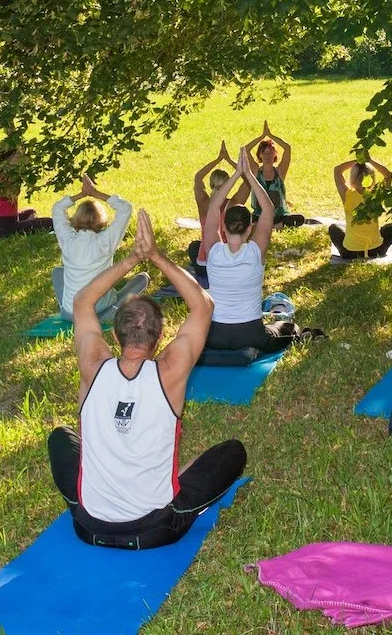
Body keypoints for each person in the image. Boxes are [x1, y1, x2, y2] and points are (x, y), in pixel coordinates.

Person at [46, 210, 248, 549]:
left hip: (88, 525)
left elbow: (82, 302)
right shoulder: (170, 372)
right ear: (160, 338)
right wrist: (155, 255)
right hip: (154, 529)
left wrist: (130, 260)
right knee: (232, 452)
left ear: (114, 334)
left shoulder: (93, 365)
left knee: (60, 437)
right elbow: (203, 306)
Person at [190, 150, 307, 359]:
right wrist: (250, 176)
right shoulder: (255, 251)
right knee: (289, 327)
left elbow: (214, 206)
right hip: (252, 335)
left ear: (222, 227)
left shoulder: (213, 250)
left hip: (215, 336)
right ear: (250, 228)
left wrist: (237, 174)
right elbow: (268, 209)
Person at [50, 174, 146, 319]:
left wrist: (81, 194)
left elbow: (57, 208)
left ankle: (69, 305)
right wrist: (94, 193)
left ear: (77, 218)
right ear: (101, 220)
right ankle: (108, 312)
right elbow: (125, 208)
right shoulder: (105, 241)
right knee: (142, 279)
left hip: (69, 312)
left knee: (58, 272)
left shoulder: (67, 240)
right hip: (96, 311)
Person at [329, 156, 392, 260]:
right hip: (376, 250)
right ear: (372, 178)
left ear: (353, 179)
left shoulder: (347, 195)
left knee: (333, 228)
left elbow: (337, 170)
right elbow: (388, 175)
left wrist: (358, 160)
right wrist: (370, 160)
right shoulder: (376, 195)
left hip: (349, 252)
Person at [0, 146, 53, 237]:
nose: (20, 157)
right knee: (50, 223)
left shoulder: (1, 171)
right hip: (5, 226)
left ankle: (25, 227)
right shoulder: (8, 175)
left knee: (30, 212)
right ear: (10, 158)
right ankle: (23, 228)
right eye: (17, 155)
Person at [252, 124, 307, 226]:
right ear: (259, 155)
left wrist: (270, 135)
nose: (268, 156)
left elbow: (287, 148)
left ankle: (272, 225)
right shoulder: (255, 171)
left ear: (275, 155)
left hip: (279, 216)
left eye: (270, 153)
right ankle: (273, 226)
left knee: (300, 219)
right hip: (259, 215)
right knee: (246, 217)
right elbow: (246, 149)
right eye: (264, 153)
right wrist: (262, 136)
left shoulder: (280, 172)